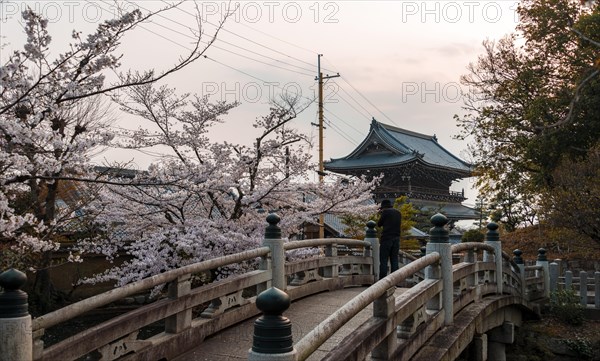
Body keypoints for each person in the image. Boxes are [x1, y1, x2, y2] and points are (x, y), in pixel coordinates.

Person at [377, 199, 402, 280]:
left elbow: (379, 224)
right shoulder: (398, 213)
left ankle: (382, 281)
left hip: (386, 238)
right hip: (397, 238)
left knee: (384, 260)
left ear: (383, 207)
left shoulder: (385, 212)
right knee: (394, 259)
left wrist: (380, 215)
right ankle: (395, 280)